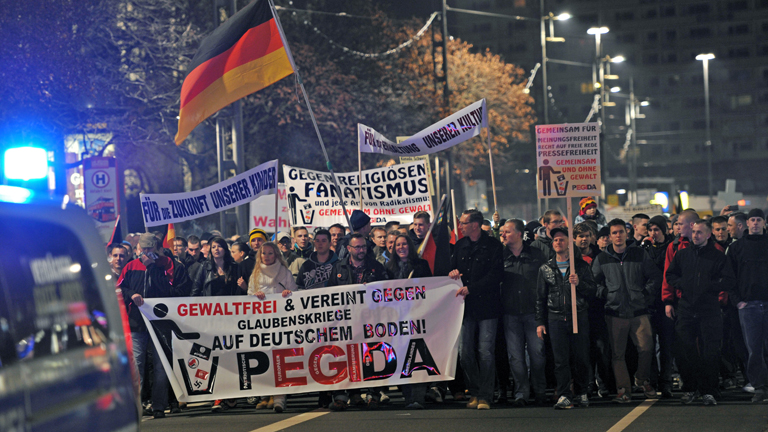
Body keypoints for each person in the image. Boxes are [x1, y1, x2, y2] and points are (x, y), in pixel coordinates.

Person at [117, 233, 191, 418]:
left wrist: (154, 270)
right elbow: (120, 288)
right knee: (138, 366)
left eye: (150, 249)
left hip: (160, 324)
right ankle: (138, 405)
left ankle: (159, 406)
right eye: (144, 249)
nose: (146, 252)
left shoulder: (167, 265)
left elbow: (168, 291)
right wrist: (132, 294)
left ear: (157, 248)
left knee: (160, 366)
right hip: (137, 323)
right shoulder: (131, 266)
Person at [665, 220, 736, 406]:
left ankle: (709, 391)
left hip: (709, 310)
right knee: (686, 351)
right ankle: (690, 388)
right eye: (694, 232)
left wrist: (710, 288)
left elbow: (728, 280)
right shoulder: (682, 255)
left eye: (699, 232)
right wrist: (682, 286)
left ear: (708, 234)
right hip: (686, 308)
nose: (695, 235)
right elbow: (670, 275)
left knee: (710, 353)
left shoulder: (718, 256)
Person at [591, 219, 661, 403]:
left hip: (639, 310)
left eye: (621, 231)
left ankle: (641, 378)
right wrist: (606, 294)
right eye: (614, 233)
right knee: (617, 354)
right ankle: (624, 390)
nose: (618, 235)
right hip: (614, 312)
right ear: (609, 236)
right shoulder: (602, 258)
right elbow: (593, 283)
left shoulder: (639, 253)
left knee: (646, 349)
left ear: (627, 233)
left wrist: (645, 295)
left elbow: (654, 277)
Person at [536, 227, 597, 409]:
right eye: (555, 240)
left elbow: (593, 291)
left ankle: (581, 392)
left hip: (578, 315)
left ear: (569, 243)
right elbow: (540, 298)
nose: (558, 243)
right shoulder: (545, 268)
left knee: (580, 357)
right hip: (555, 318)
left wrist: (579, 284)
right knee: (560, 359)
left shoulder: (581, 266)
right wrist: (540, 322)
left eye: (562, 239)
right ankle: (564, 394)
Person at [449, 209, 503, 411]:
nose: (460, 226)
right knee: (465, 353)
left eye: (463, 223)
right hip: (464, 308)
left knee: (485, 351)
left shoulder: (493, 246)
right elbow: (453, 270)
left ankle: (486, 395)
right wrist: (453, 273)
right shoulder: (460, 246)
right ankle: (474, 391)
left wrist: (472, 288)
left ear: (475, 224)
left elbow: (496, 275)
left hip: (487, 306)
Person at [327, 233, 388, 410]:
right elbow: (328, 295)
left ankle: (373, 394)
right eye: (357, 247)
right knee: (344, 357)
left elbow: (385, 293)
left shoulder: (376, 267)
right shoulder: (338, 268)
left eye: (363, 247)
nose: (361, 250)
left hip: (371, 320)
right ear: (349, 249)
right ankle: (340, 396)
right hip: (346, 322)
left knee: (372, 356)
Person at [499, 219, 548, 406]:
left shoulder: (536, 254)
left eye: (507, 231)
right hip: (510, 313)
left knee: (537, 354)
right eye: (502, 231)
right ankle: (521, 393)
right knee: (516, 357)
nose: (503, 234)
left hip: (533, 313)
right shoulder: (500, 256)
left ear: (519, 234)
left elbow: (545, 282)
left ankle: (540, 390)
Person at [247, 242, 297, 412]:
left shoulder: (285, 273)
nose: (266, 256)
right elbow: (248, 299)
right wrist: (255, 296)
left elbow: (295, 295)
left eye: (270, 253)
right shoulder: (255, 274)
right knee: (264, 358)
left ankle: (280, 398)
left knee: (280, 358)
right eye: (264, 253)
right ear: (259, 255)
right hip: (261, 324)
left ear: (276, 255)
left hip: (281, 323)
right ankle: (264, 395)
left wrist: (287, 295)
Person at [384, 234, 432, 409]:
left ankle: (418, 397)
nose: (401, 247)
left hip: (418, 318)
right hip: (397, 320)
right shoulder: (388, 268)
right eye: (398, 245)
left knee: (418, 357)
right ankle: (408, 397)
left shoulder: (421, 265)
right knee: (403, 358)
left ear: (410, 246)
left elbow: (430, 290)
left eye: (404, 244)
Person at [726, 208, 768, 403]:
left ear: (764, 223)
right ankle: (759, 386)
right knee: (754, 348)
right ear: (748, 223)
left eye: (759, 219)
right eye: (753, 219)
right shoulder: (736, 248)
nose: (756, 223)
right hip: (748, 305)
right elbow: (729, 277)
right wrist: (737, 301)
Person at [643, 215, 675, 398]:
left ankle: (667, 382)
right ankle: (653, 380)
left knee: (666, 345)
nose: (653, 233)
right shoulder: (644, 249)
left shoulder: (672, 248)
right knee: (648, 345)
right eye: (651, 230)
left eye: (657, 230)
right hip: (649, 303)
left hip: (665, 303)